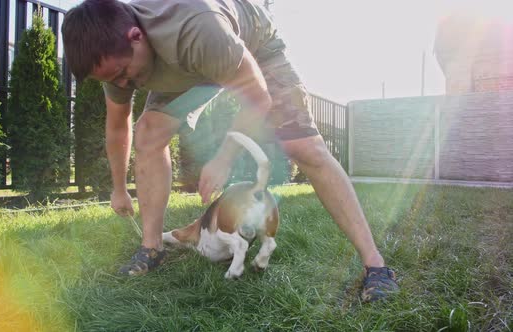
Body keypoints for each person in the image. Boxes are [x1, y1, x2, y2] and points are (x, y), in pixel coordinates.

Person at [62, 0, 398, 301]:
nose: (122, 85)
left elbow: (256, 96)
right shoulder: (113, 58)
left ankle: (376, 266)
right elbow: (118, 125)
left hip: (253, 49)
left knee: (303, 146)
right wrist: (119, 188)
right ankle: (151, 248)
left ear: (136, 36)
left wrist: (223, 158)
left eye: (123, 74)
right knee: (149, 132)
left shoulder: (196, 28)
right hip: (185, 68)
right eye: (112, 80)